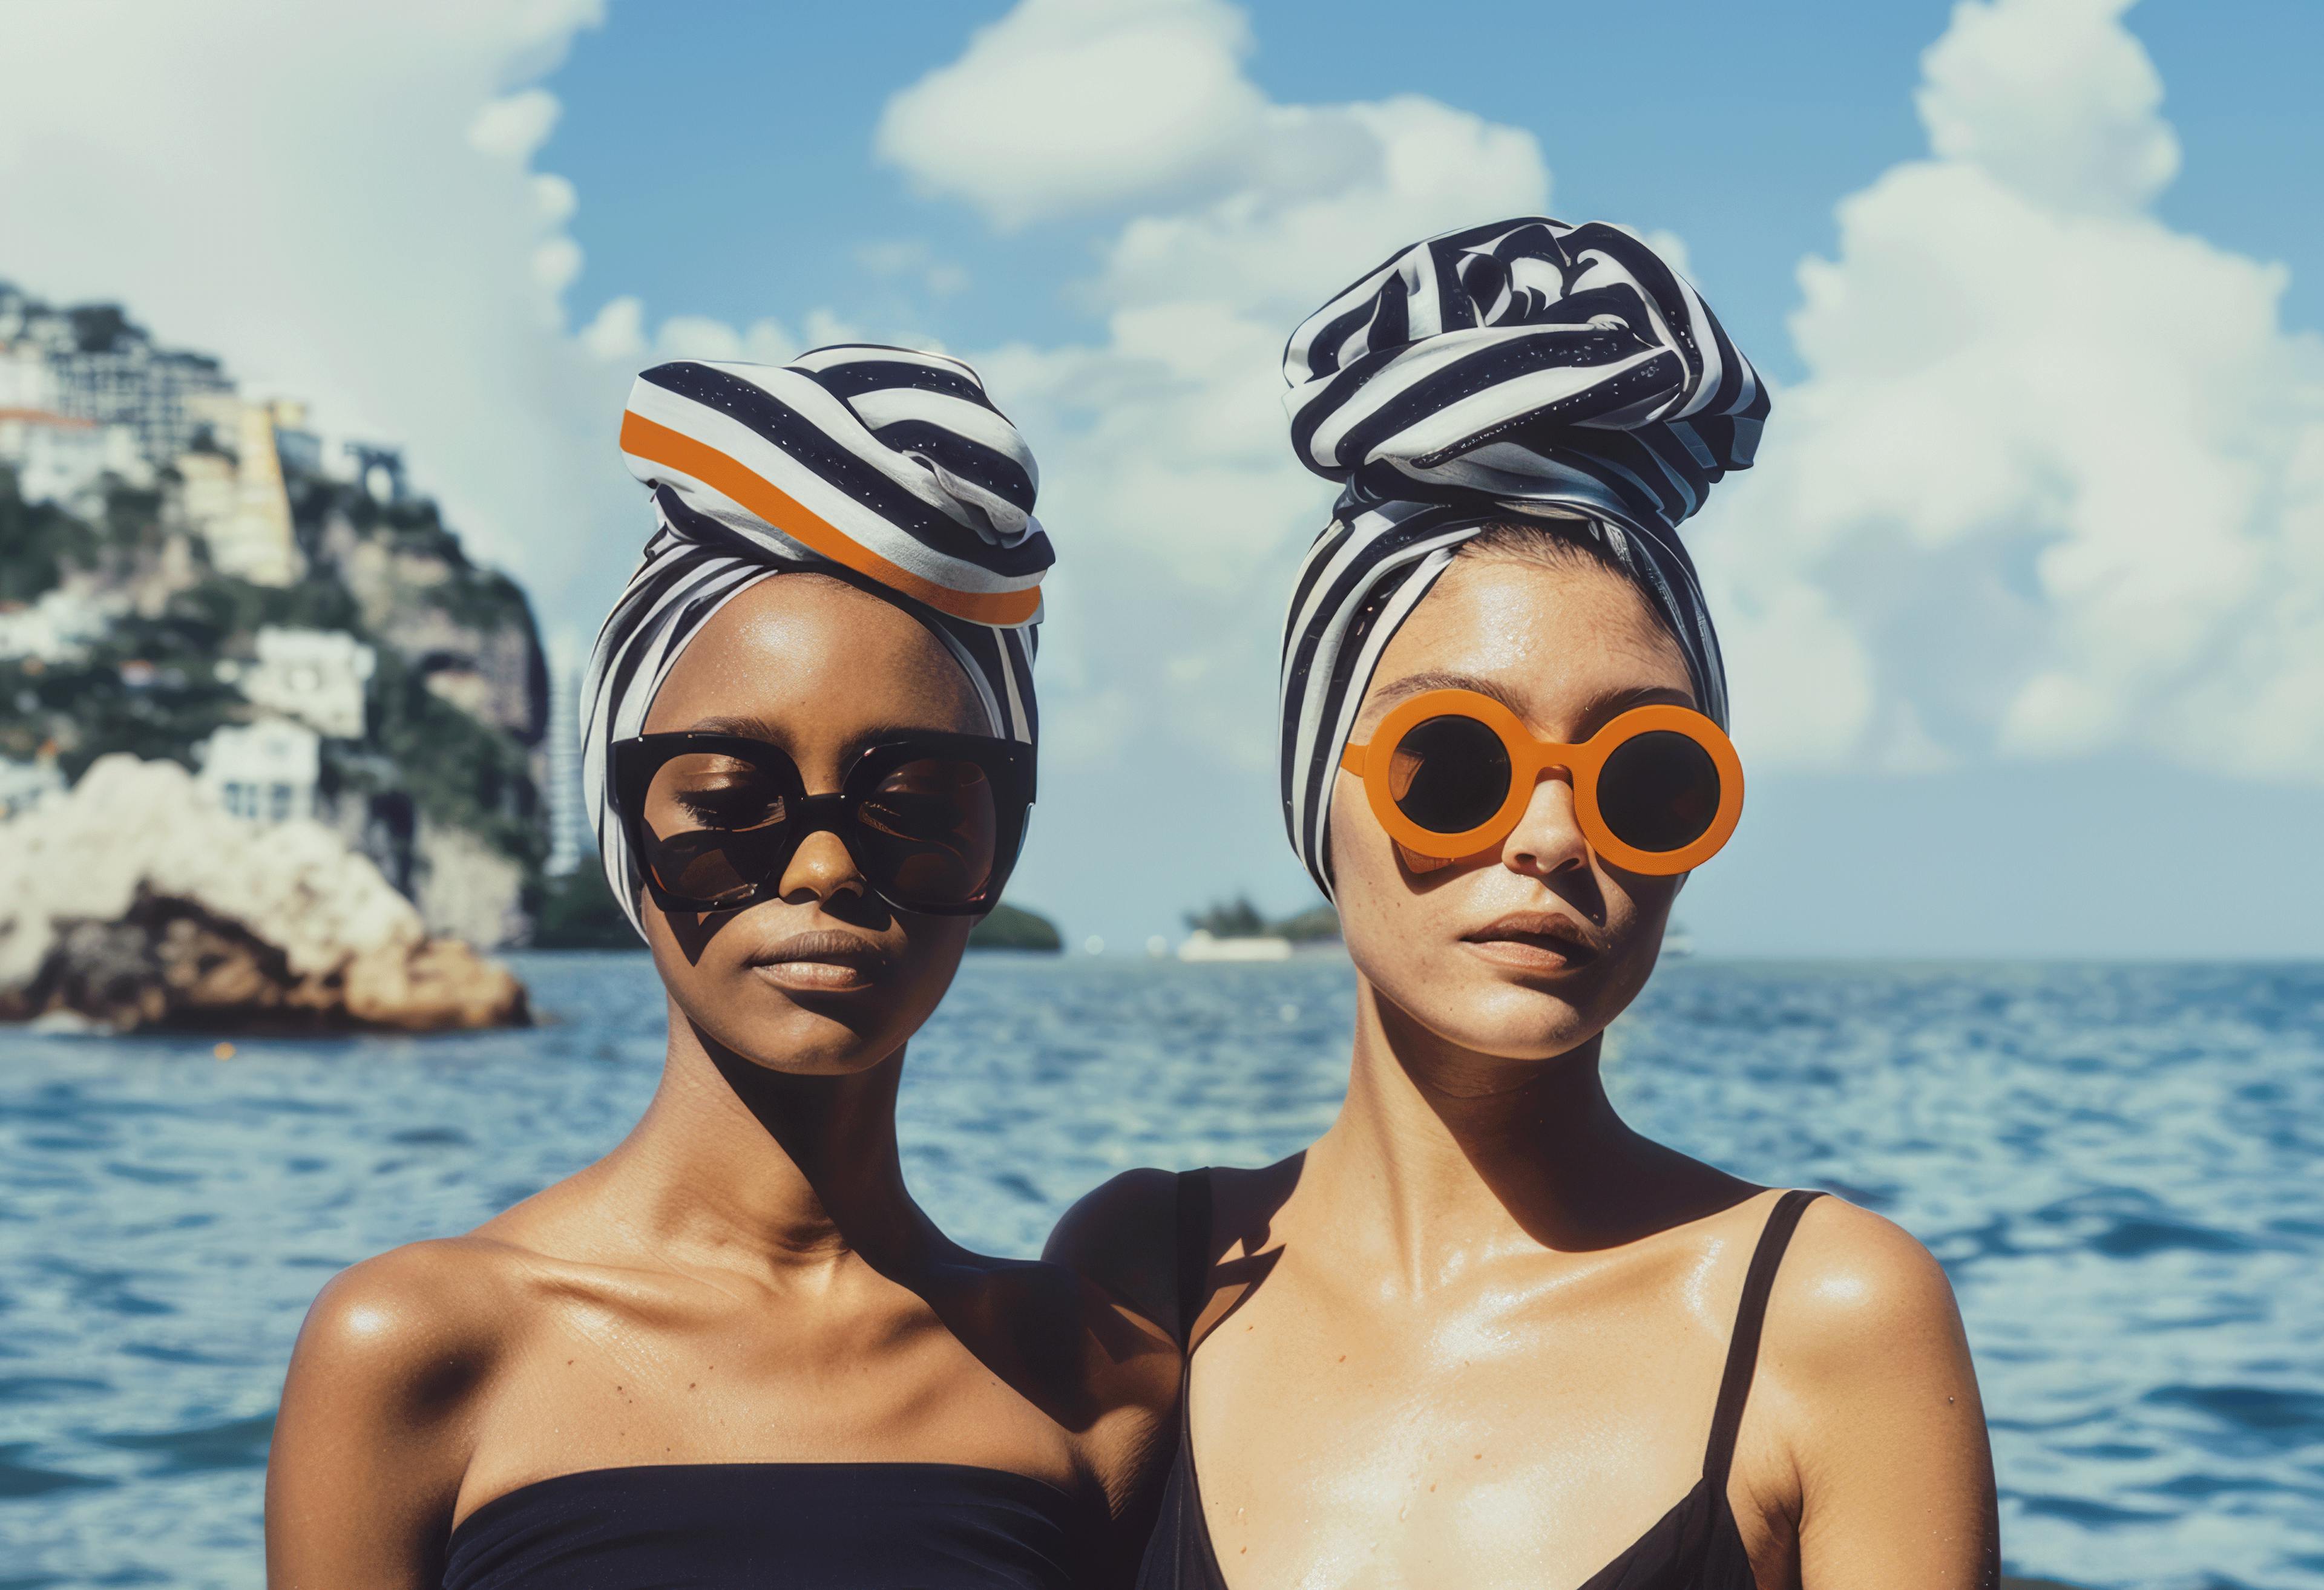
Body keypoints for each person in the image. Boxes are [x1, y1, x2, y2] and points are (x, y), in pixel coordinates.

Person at [1050, 220, 2000, 1589]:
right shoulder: (1147, 1269)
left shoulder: (1832, 1316)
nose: (1552, 837)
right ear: (1320, 791)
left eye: (1647, 779)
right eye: (1457, 765)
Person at [266, 348, 1179, 1589]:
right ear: (629, 836)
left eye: (908, 800)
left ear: (994, 843)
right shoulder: (417, 1351)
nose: (818, 869)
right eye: (729, 801)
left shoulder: (1095, 1385)